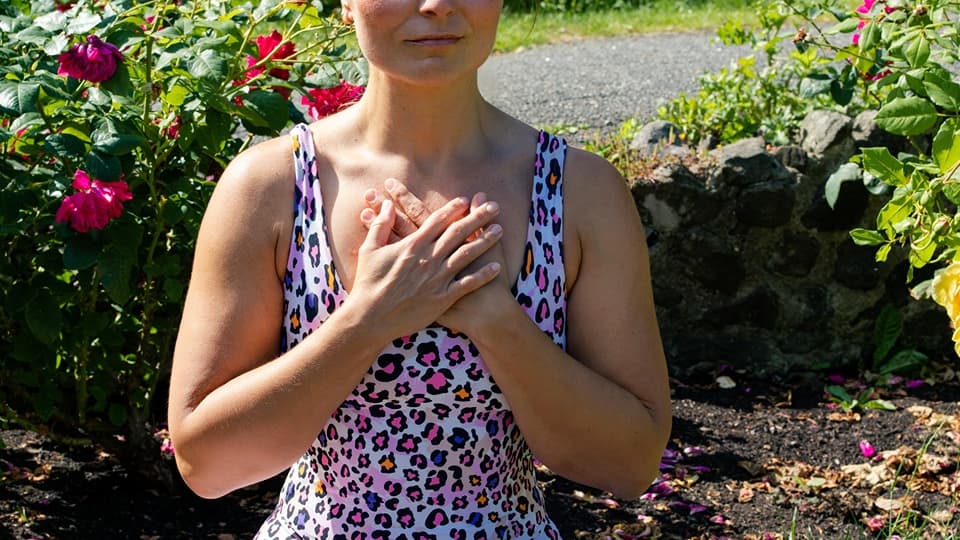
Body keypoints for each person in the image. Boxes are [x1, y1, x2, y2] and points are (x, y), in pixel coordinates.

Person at [167, 0, 671, 536]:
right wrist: (367, 319)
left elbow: (630, 463)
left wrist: (495, 320)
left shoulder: (580, 192)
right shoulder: (269, 187)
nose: (436, 6)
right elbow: (207, 464)